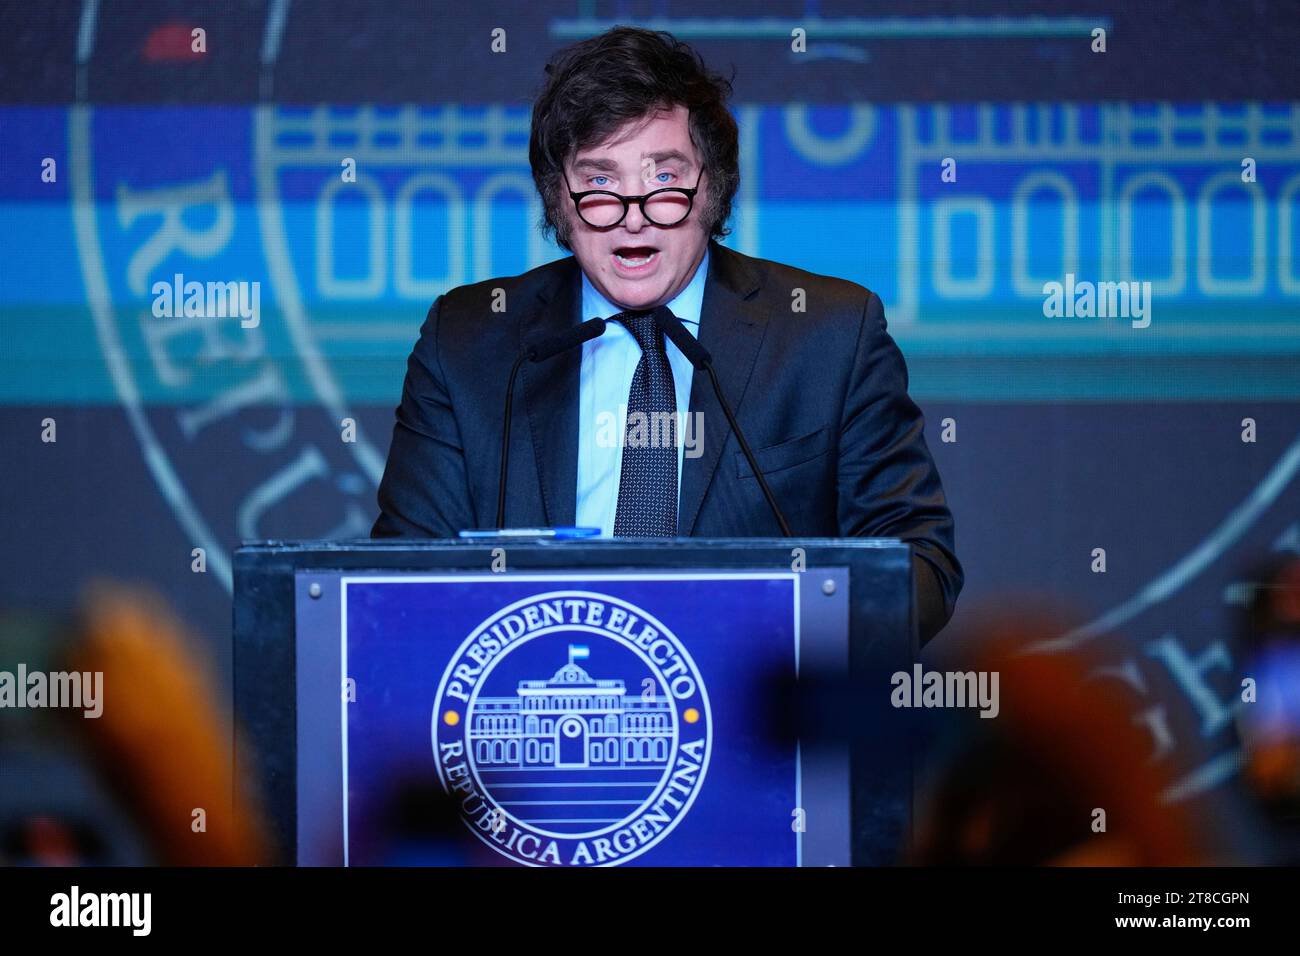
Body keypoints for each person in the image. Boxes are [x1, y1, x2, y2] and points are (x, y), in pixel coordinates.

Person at [371, 27, 962, 643]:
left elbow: (919, 569)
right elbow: (397, 582)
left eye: (664, 179)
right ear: (558, 200)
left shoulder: (829, 334)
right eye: (599, 182)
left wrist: (768, 648)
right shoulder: (468, 341)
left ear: (714, 187)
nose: (633, 215)